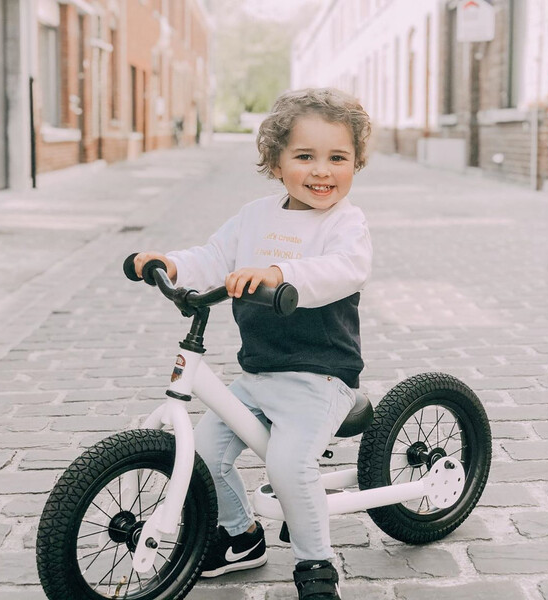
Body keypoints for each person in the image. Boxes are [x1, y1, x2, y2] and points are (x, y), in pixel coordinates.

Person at [133, 87, 372, 600]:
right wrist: (172, 264)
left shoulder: (345, 223)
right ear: (276, 160)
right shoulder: (255, 216)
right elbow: (213, 256)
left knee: (288, 465)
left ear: (356, 162)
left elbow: (344, 269)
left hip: (320, 375)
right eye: (304, 157)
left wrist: (280, 273)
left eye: (337, 158)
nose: (322, 171)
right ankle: (240, 537)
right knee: (203, 456)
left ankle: (316, 564)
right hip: (259, 373)